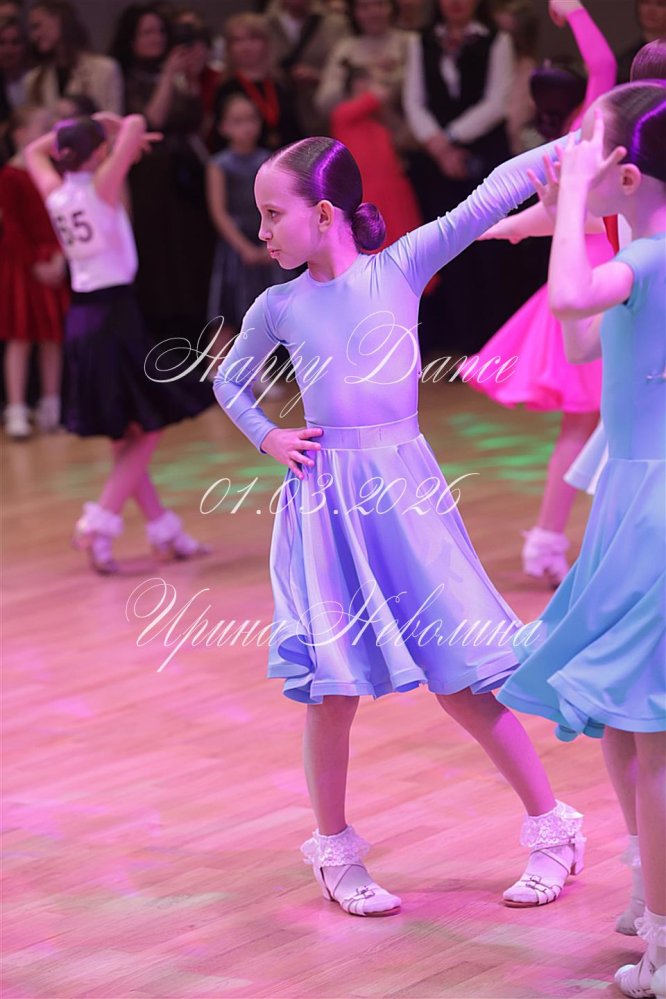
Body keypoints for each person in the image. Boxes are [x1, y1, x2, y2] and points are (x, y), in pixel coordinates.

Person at [212, 132, 589, 917]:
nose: (261, 230)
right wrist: (269, 436)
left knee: (463, 677)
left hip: (404, 495)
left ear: (323, 214)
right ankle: (335, 852)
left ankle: (554, 829)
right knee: (333, 690)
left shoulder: (400, 267)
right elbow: (230, 380)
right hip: (326, 501)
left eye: (272, 214)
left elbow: (492, 191)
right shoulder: (277, 305)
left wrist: (587, 137)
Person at [497, 83, 666, 999]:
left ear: (627, 175)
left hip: (653, 506)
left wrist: (565, 211)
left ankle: (665, 951)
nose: (568, 163)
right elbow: (590, 342)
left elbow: (568, 301)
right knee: (632, 723)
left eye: (584, 152)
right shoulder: (645, 252)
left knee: (651, 733)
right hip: (633, 502)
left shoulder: (652, 253)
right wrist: (567, 215)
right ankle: (651, 900)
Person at [462, 0, 617, 586]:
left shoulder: (569, 142)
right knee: (603, 427)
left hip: (587, 281)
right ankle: (563, 543)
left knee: (587, 427)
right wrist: (574, 11)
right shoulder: (595, 131)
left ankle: (554, 542)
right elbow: (603, 63)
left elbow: (548, 219)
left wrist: (501, 227)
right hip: (604, 284)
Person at [24, 112, 213, 573]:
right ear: (98, 154)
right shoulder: (100, 188)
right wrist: (108, 124)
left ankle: (163, 529)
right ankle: (99, 522)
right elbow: (136, 122)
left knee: (126, 431)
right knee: (148, 426)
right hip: (113, 318)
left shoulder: (56, 192)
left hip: (82, 319)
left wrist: (89, 131)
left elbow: (32, 151)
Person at [1, 103, 67, 439]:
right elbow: (11, 226)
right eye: (43, 128)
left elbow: (61, 216)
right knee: (21, 337)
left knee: (52, 336)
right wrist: (34, 262)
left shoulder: (53, 174)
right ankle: (16, 408)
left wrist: (60, 256)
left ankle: (51, 405)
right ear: (20, 135)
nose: (50, 134)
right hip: (22, 266)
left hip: (52, 261)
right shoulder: (10, 176)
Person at [206, 93, 289, 339]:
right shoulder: (219, 164)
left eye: (251, 119)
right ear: (223, 127)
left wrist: (272, 244)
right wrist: (244, 248)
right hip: (236, 247)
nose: (246, 127)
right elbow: (218, 212)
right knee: (228, 314)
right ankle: (216, 364)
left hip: (268, 243)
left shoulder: (270, 160)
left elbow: (280, 206)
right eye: (237, 121)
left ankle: (271, 363)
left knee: (276, 313)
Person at [330, 65, 422, 247]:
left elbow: (407, 137)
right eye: (366, 80)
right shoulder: (342, 114)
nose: (371, 85)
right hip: (366, 193)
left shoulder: (381, 119)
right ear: (355, 84)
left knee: (406, 243)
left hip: (394, 190)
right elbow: (377, 96)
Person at [24, 1, 123, 113]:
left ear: (59, 20)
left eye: (37, 26)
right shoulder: (33, 80)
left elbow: (111, 120)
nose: (34, 36)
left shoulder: (104, 70)